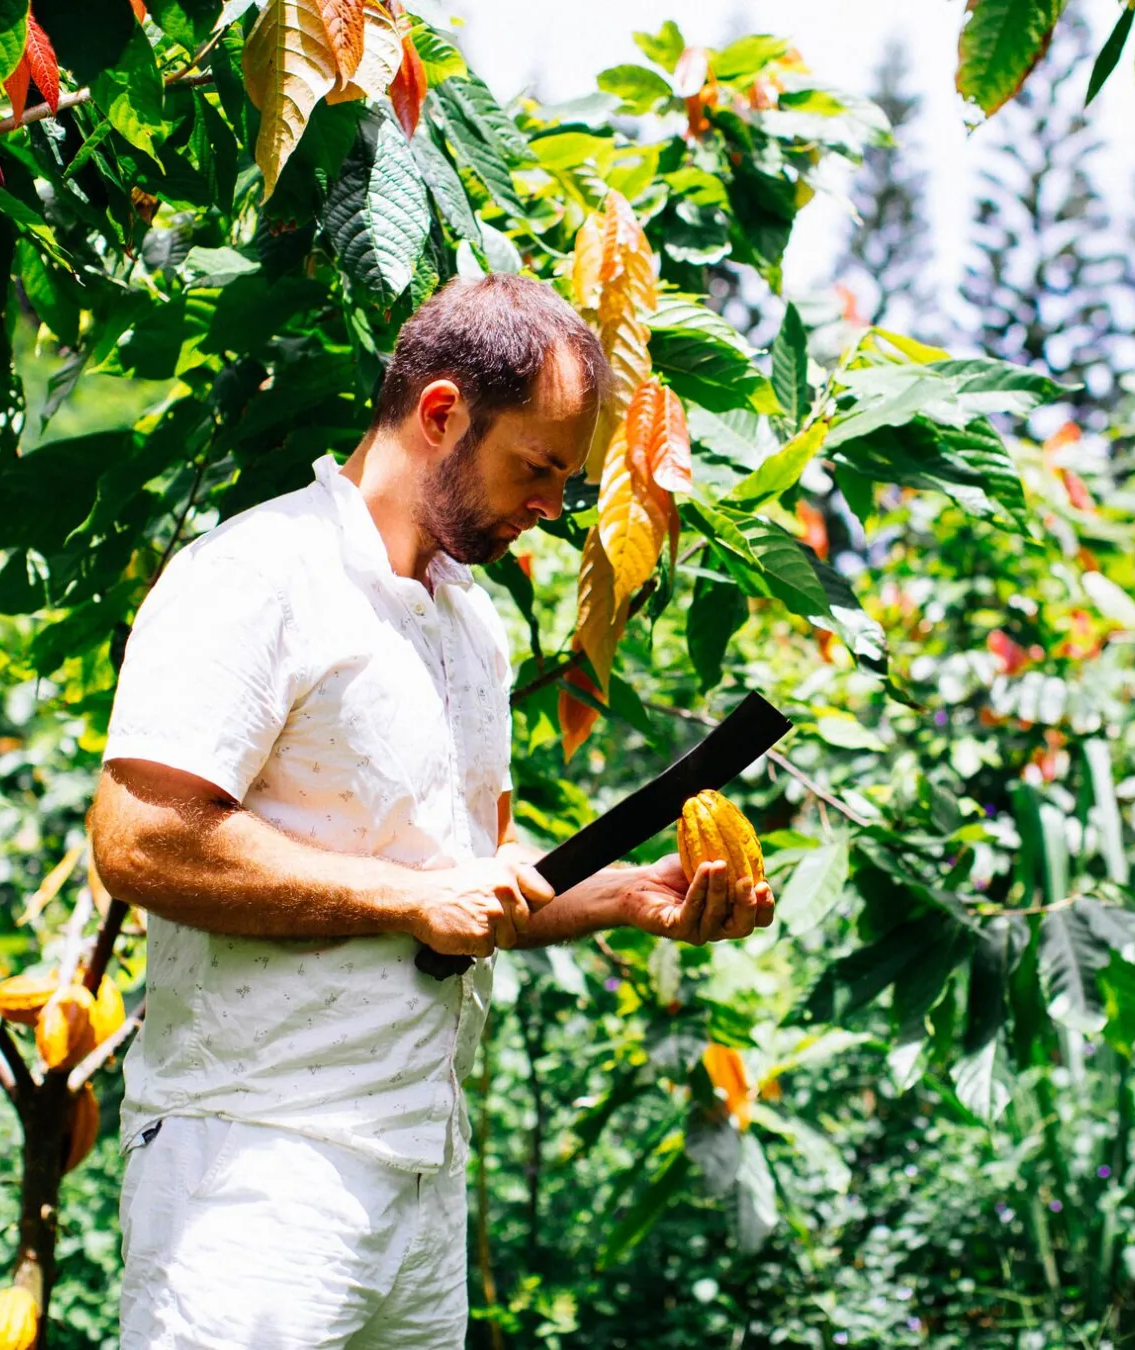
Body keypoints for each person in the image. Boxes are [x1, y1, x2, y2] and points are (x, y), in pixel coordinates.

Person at [90, 274, 774, 1348]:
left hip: (420, 1173)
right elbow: (138, 839)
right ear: (443, 413)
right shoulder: (259, 575)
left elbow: (475, 876)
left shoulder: (471, 623)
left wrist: (623, 898)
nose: (553, 507)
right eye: (537, 469)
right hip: (255, 1164)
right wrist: (411, 897)